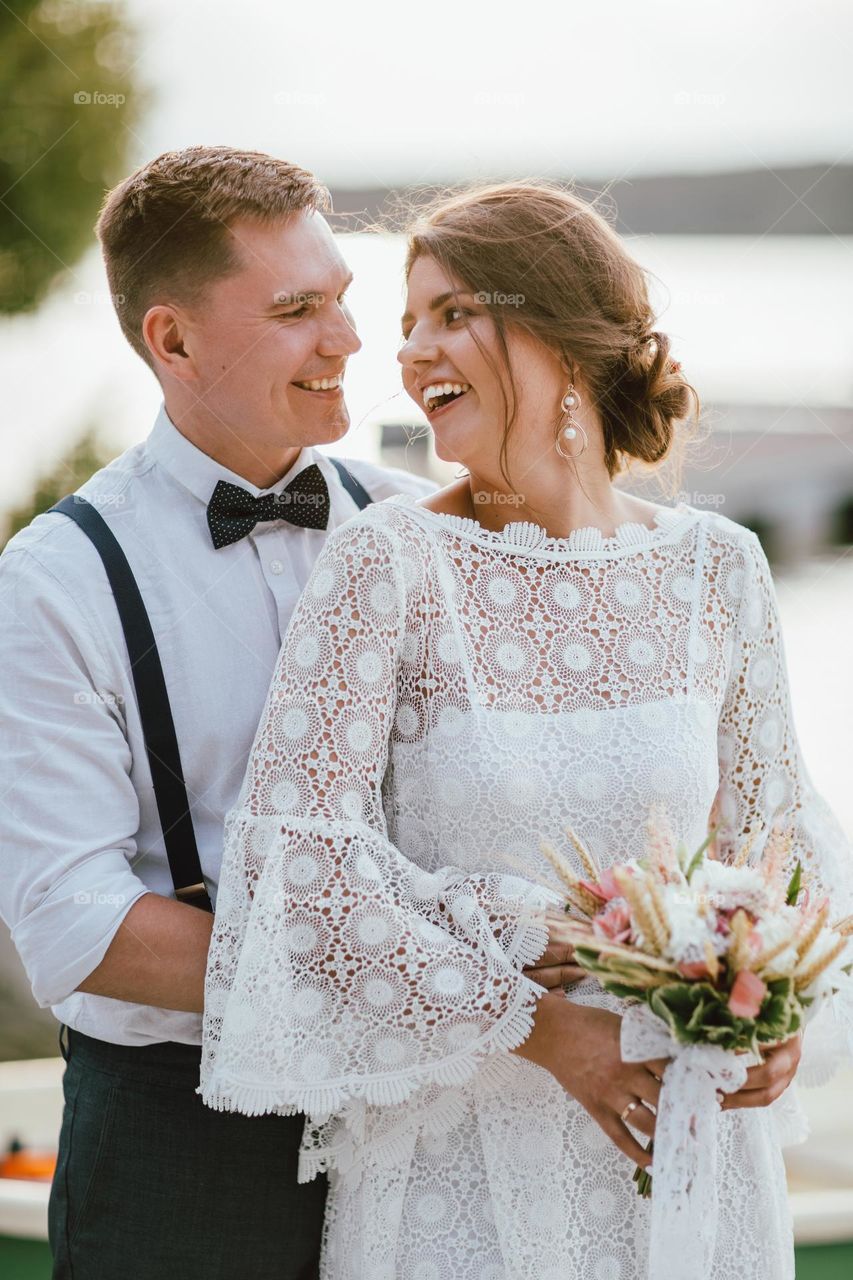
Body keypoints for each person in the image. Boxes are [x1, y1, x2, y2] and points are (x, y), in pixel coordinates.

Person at [198, 181, 853, 1279]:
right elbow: (297, 870)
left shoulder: (716, 569)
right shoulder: (387, 564)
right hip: (463, 1163)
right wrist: (536, 1020)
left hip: (687, 1140)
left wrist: (778, 1007)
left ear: (561, 332)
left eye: (451, 313)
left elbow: (778, 844)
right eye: (409, 325)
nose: (410, 353)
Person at [0, 145, 437, 1279]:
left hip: (427, 1124)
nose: (348, 340)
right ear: (173, 339)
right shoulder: (55, 581)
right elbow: (73, 919)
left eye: (342, 297)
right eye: (296, 310)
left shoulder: (414, 525)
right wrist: (391, 976)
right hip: (178, 1146)